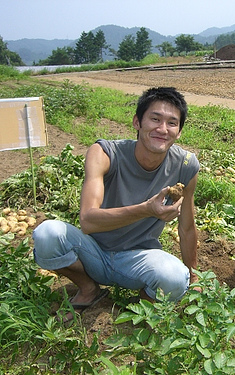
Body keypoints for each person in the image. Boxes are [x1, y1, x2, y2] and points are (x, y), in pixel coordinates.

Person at [33, 87, 200, 321]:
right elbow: (88, 221)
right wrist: (147, 209)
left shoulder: (185, 166)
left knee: (175, 278)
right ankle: (88, 289)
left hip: (138, 258)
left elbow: (187, 227)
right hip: (92, 251)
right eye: (155, 119)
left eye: (172, 123)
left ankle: (138, 306)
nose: (162, 129)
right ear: (137, 122)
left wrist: (194, 277)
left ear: (179, 131)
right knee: (47, 233)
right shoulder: (104, 153)